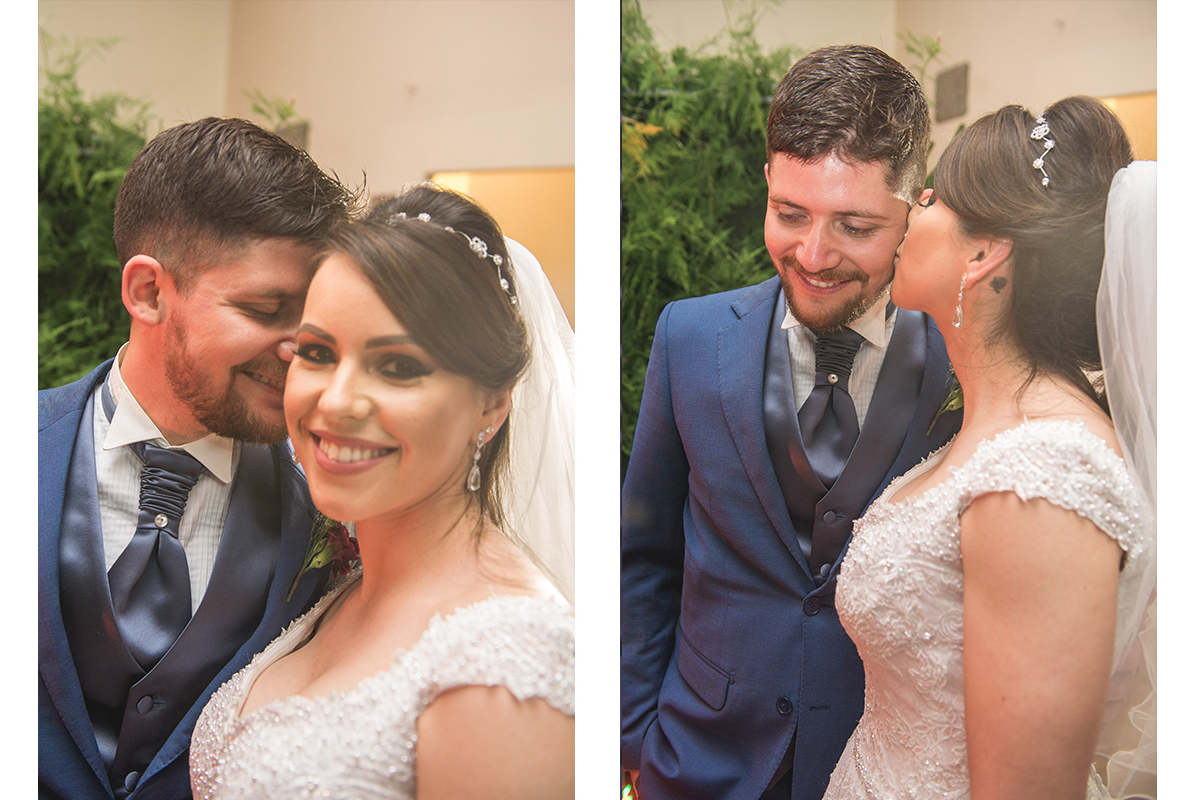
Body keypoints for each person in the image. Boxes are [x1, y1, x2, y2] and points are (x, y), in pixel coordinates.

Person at [620, 45, 964, 799]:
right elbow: (642, 556)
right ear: (769, 183)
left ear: (915, 209)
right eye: (791, 214)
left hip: (876, 760)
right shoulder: (689, 337)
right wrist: (634, 737)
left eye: (855, 225)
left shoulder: (958, 364)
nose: (813, 255)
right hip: (696, 756)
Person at [188, 184, 576, 799]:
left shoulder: (506, 668)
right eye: (316, 353)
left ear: (492, 405)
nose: (337, 401)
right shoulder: (342, 592)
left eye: (397, 367)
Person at [821, 97, 1156, 799]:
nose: (917, 206)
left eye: (937, 194)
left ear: (984, 252)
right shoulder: (987, 427)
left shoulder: (1043, 475)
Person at [39, 117, 358, 800]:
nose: (299, 347)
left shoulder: (338, 505)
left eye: (311, 317)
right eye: (265, 308)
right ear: (148, 292)